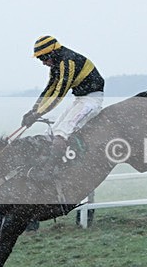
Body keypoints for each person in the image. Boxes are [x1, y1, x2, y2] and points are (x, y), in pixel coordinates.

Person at [21, 35, 105, 183]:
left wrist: (38, 113)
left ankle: (48, 173)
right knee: (51, 132)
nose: (43, 63)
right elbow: (49, 89)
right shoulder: (57, 64)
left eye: (43, 58)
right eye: (40, 59)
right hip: (80, 99)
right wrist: (33, 110)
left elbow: (59, 93)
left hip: (91, 100)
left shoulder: (68, 62)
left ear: (52, 52)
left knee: (60, 134)